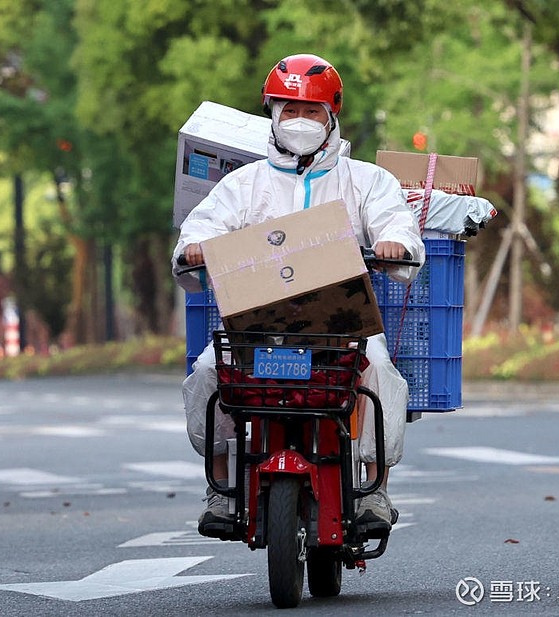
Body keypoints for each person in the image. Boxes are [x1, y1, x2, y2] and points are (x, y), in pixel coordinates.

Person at [172, 53, 425, 537]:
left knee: (380, 376)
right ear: (272, 115)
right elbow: (200, 228)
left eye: (312, 112)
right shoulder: (241, 185)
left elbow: (398, 223)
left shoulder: (366, 180)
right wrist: (193, 249)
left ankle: (373, 489)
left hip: (343, 328)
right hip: (254, 328)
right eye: (290, 110)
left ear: (331, 118)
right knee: (207, 373)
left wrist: (397, 244)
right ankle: (222, 489)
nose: (300, 121)